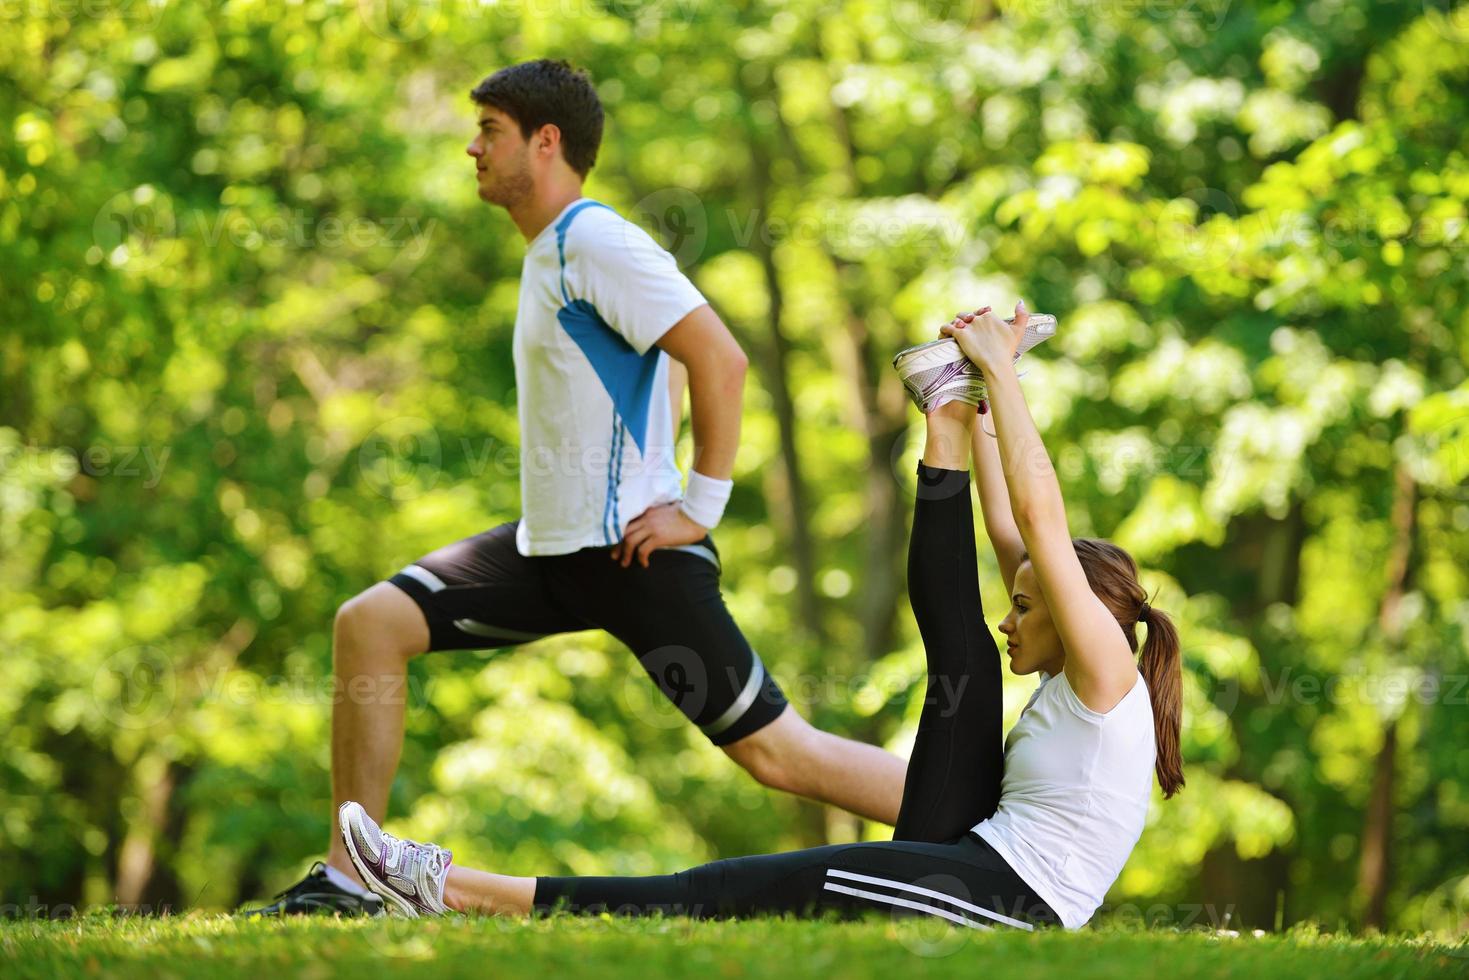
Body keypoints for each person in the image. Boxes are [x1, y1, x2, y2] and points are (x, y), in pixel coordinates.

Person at [250, 59, 907, 916]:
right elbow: (662, 363)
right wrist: (654, 463)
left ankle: (998, 831)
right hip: (548, 550)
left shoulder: (597, 239)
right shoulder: (550, 253)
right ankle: (352, 879)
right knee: (370, 624)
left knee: (778, 755)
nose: (472, 148)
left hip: (631, 555)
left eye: (489, 131)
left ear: (545, 141)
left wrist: (690, 507)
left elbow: (719, 357)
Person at [333, 302, 1187, 931]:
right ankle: (944, 413)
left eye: (1028, 607)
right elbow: (1010, 532)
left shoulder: (1105, 670)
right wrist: (979, 408)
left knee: (726, 889)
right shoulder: (1081, 659)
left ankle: (445, 889)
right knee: (956, 657)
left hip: (1007, 896)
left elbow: (1038, 521)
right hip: (976, 845)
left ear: (1082, 618)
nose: (1013, 618)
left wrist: (1004, 368)